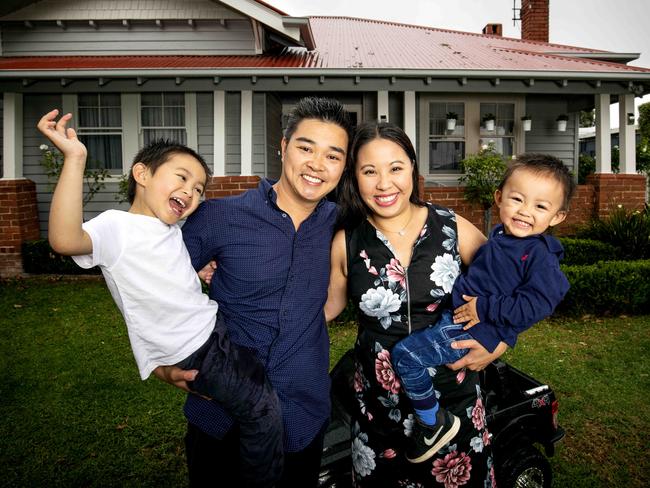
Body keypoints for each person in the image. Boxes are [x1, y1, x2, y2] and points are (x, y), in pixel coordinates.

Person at [38, 109, 283, 488]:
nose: (190, 191)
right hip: (196, 349)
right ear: (142, 174)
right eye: (182, 178)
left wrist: (196, 272)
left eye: (199, 189)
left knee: (260, 380)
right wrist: (75, 159)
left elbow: (162, 272)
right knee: (263, 410)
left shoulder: (167, 231)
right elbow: (65, 240)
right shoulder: (116, 227)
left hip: (213, 333)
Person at [153, 97, 354, 487]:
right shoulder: (219, 217)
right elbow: (148, 282)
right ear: (282, 146)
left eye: (333, 155)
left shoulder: (343, 223)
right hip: (221, 414)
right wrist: (159, 361)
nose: (316, 164)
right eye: (305, 147)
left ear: (343, 166)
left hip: (301, 412)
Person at [325, 121, 507, 487]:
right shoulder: (346, 241)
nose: (384, 183)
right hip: (379, 413)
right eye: (369, 171)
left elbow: (513, 284)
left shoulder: (452, 227)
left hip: (453, 405)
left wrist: (501, 340)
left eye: (395, 168)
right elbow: (324, 310)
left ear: (412, 168)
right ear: (354, 178)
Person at [391, 153, 575, 464]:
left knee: (405, 357)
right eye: (517, 199)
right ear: (499, 198)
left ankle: (432, 423)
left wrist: (485, 311)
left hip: (469, 328)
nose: (525, 211)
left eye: (540, 206)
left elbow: (538, 304)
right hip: (462, 321)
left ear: (557, 216)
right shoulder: (503, 238)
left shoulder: (539, 256)